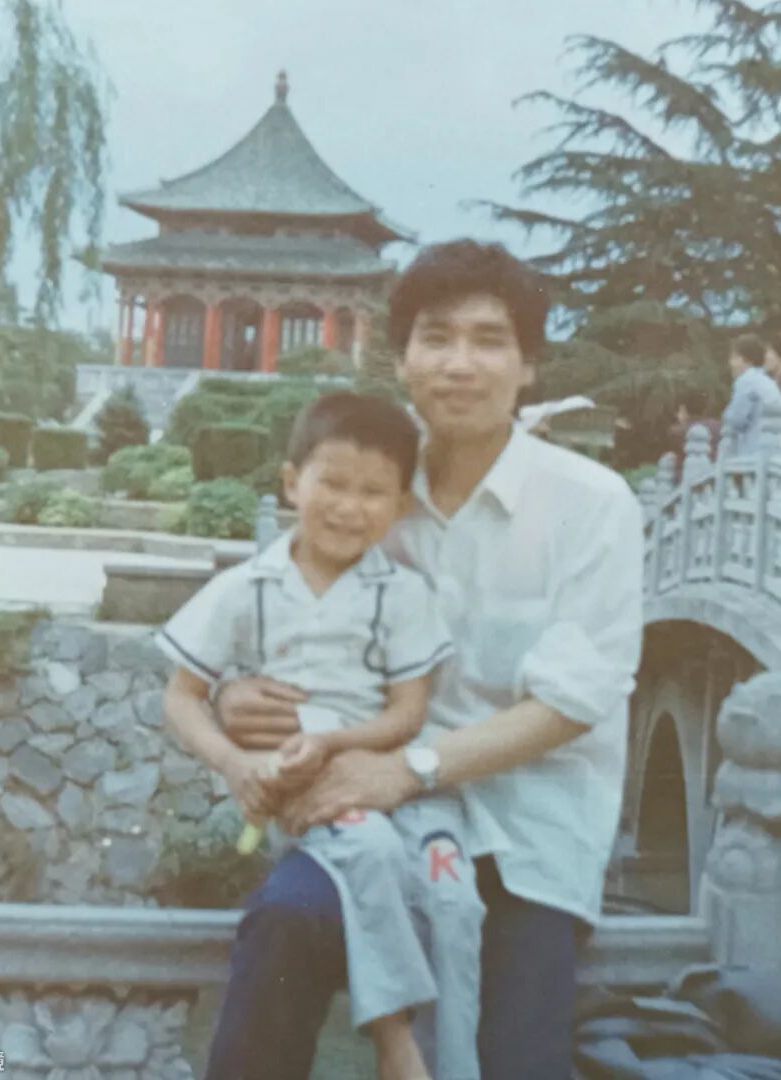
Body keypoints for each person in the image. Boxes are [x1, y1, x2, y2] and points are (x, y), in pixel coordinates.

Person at [201, 239, 644, 1080]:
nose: (460, 364)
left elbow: (572, 701)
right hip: (371, 818)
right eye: (436, 338)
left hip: (526, 831)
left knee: (514, 1061)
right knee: (283, 928)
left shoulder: (591, 506)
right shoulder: (370, 498)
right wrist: (237, 695)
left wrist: (409, 769)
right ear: (401, 358)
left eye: (489, 340)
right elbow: (278, 623)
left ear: (529, 365)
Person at [158, 392, 484, 1080]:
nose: (348, 507)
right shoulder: (247, 587)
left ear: (401, 504)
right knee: (371, 849)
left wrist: (338, 742)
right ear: (291, 482)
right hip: (310, 794)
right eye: (332, 484)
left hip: (394, 781)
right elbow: (181, 696)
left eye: (373, 492)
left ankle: (454, 1065)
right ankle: (394, 1037)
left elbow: (408, 715)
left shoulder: (401, 594)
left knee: (452, 894)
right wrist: (234, 763)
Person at [722, 332, 781, 456]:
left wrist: (726, 413)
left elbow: (736, 420)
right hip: (778, 452)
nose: (730, 363)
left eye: (734, 357)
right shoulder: (769, 381)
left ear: (747, 360)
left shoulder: (746, 380)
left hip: (754, 453)